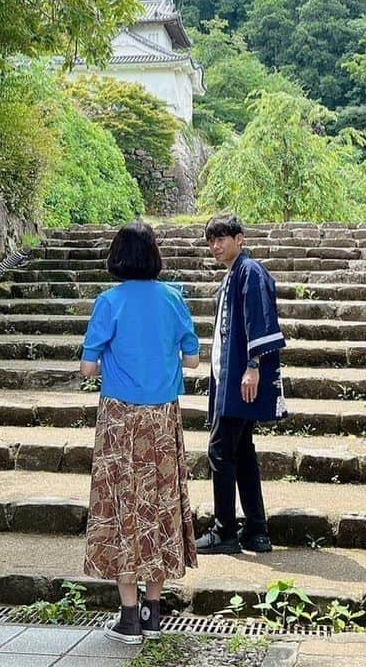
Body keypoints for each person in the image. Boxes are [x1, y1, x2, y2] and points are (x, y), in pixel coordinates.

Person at [80, 221, 200, 644]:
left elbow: (88, 367)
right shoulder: (173, 299)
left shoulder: (109, 302)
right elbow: (192, 360)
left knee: (122, 507)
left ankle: (128, 615)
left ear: (117, 258)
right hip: (163, 420)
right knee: (161, 505)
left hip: (119, 420)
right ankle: (154, 611)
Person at [196, 214, 286, 556]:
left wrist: (252, 366)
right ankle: (257, 530)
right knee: (242, 451)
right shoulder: (234, 275)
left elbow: (260, 319)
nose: (216, 246)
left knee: (220, 449)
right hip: (231, 377)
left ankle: (225, 531)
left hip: (242, 378)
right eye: (212, 241)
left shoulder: (249, 271)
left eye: (222, 238)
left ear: (240, 239)